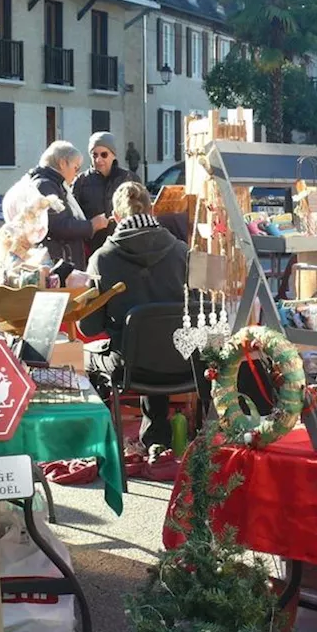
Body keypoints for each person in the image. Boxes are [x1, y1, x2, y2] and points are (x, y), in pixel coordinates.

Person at [79, 181, 188, 455]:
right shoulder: (182, 252)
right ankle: (156, 439)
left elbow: (89, 326)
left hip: (130, 366)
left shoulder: (102, 259)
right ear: (152, 211)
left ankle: (101, 443)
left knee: (86, 357)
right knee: (159, 341)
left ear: (116, 217)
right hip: (183, 361)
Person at [25, 141, 109, 271]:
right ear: (63, 163)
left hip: (63, 259)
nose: (76, 174)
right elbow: (59, 225)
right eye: (76, 168)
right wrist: (92, 225)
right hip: (59, 261)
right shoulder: (46, 185)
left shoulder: (53, 184)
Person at [72, 132, 132, 257]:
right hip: (92, 249)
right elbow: (73, 217)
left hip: (123, 247)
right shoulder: (81, 181)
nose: (98, 160)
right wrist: (91, 225)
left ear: (113, 155)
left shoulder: (128, 178)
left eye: (104, 154)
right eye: (94, 155)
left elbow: (140, 210)